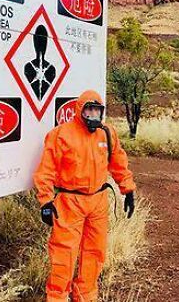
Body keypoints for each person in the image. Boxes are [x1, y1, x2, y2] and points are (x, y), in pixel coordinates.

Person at [33, 89, 136, 302]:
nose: (92, 115)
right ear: (79, 110)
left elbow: (118, 162)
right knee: (64, 253)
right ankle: (57, 297)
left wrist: (128, 189)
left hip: (98, 201)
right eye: (88, 110)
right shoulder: (61, 135)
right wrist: (45, 201)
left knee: (95, 252)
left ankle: (86, 296)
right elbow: (45, 170)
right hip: (69, 202)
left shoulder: (107, 134)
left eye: (97, 111)